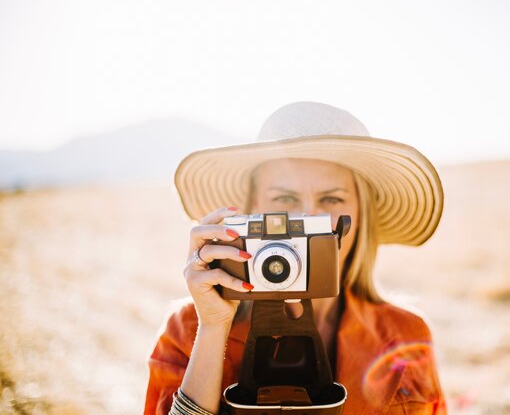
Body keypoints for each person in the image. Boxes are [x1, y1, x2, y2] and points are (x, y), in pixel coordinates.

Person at [144, 102, 447, 415]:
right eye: (284, 199)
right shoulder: (189, 329)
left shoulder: (404, 335)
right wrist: (212, 329)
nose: (307, 217)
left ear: (358, 216)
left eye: (331, 199)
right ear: (251, 212)